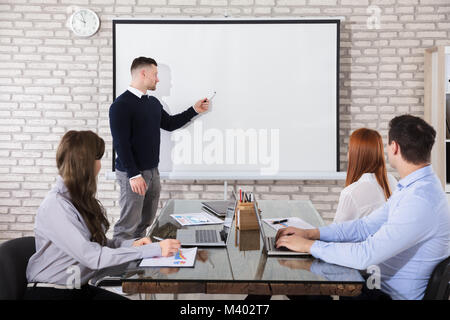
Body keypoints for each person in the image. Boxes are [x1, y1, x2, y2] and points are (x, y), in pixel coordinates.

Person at [276, 115, 450, 300]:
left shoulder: (418, 200)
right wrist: (311, 234)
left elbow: (366, 255)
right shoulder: (416, 187)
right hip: (376, 286)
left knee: (298, 285)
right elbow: (364, 227)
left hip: (386, 295)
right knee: (300, 285)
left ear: (394, 147)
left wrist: (308, 246)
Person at [25, 130, 181, 300]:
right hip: (52, 293)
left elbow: (97, 244)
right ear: (84, 164)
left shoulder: (77, 199)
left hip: (77, 287)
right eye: (97, 158)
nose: (100, 165)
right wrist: (152, 249)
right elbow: (93, 257)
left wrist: (132, 245)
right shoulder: (56, 206)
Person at [109, 57, 210, 242]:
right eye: (155, 74)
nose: (158, 79)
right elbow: (120, 143)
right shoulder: (120, 106)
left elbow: (170, 124)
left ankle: (135, 265)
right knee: (127, 227)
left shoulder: (153, 103)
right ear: (143, 73)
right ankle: (118, 268)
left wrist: (194, 110)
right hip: (133, 175)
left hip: (152, 172)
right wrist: (133, 174)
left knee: (144, 223)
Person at [334, 128, 397, 223]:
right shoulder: (392, 180)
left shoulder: (350, 193)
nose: (347, 155)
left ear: (355, 154)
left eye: (349, 149)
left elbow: (336, 233)